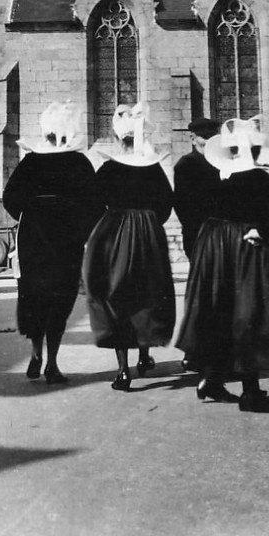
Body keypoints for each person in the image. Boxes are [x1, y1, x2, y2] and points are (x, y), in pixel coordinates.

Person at [175, 118, 269, 411]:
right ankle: (249, 389)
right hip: (246, 250)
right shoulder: (258, 178)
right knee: (248, 314)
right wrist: (261, 230)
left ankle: (211, 377)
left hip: (212, 247)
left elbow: (193, 209)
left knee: (216, 311)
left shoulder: (214, 173)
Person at [4, 103, 100, 385]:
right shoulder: (79, 163)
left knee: (35, 297)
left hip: (33, 238)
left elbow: (10, 197)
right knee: (60, 299)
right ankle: (53, 364)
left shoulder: (31, 162)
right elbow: (94, 204)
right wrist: (80, 229)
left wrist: (30, 213)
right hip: (66, 239)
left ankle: (36, 354)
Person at [83, 103, 175, 391]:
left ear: (119, 139)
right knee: (147, 292)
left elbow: (93, 202)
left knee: (116, 294)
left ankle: (123, 371)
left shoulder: (109, 168)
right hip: (148, 235)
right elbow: (165, 203)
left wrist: (103, 229)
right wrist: (150, 223)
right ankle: (144, 355)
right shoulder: (152, 168)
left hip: (114, 233)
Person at [173, 118, 222, 260]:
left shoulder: (222, 162)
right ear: (193, 139)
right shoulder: (186, 164)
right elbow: (182, 203)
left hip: (222, 230)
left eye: (212, 137)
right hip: (198, 231)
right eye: (205, 137)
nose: (208, 142)